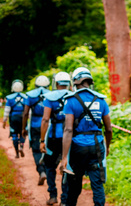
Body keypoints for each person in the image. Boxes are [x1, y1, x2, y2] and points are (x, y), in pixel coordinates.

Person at [59, 67, 113, 206]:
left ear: (75, 82)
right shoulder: (101, 100)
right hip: (97, 147)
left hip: (78, 149)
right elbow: (109, 129)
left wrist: (64, 157)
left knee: (74, 186)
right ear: (89, 81)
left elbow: (68, 130)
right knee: (97, 186)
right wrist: (106, 147)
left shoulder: (71, 100)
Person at [40, 72, 72, 206]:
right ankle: (64, 199)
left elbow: (45, 119)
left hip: (53, 138)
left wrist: (42, 140)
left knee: (49, 165)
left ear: (56, 83)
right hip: (68, 139)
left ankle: (53, 195)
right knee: (66, 165)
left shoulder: (49, 98)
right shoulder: (73, 97)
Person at [22, 75, 51, 185]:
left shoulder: (30, 95)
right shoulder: (51, 95)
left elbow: (25, 113)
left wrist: (23, 128)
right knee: (47, 148)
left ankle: (41, 171)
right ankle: (48, 170)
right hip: (47, 126)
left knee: (36, 150)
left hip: (34, 126)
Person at [2, 80, 27, 158]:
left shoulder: (10, 98)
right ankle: (22, 146)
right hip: (23, 118)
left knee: (14, 135)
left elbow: (7, 111)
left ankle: (17, 153)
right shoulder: (25, 97)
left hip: (14, 118)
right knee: (23, 133)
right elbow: (27, 110)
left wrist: (4, 121)